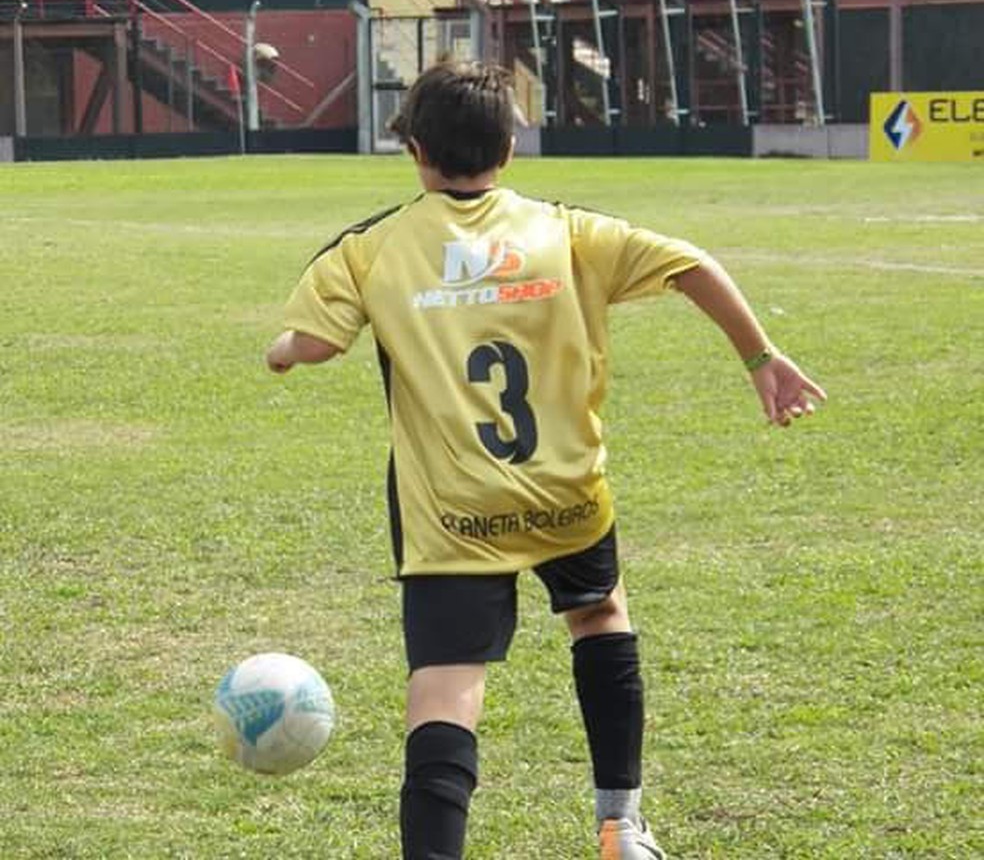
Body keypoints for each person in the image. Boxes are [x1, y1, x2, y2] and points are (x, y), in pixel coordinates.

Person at [265, 61, 826, 859]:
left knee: (448, 685)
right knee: (599, 617)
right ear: (512, 145)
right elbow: (692, 265)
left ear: (414, 150)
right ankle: (621, 826)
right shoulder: (567, 232)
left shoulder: (371, 250)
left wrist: (283, 349)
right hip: (566, 495)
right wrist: (761, 359)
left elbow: (316, 343)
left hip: (451, 513)